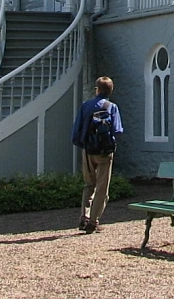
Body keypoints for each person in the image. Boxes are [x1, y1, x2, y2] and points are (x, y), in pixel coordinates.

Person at [70, 76, 123, 233]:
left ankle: (84, 218)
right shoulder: (112, 107)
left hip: (88, 150)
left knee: (89, 185)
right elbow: (118, 130)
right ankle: (94, 221)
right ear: (110, 91)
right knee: (102, 187)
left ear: (97, 89)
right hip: (105, 152)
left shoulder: (86, 106)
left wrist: (84, 145)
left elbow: (76, 132)